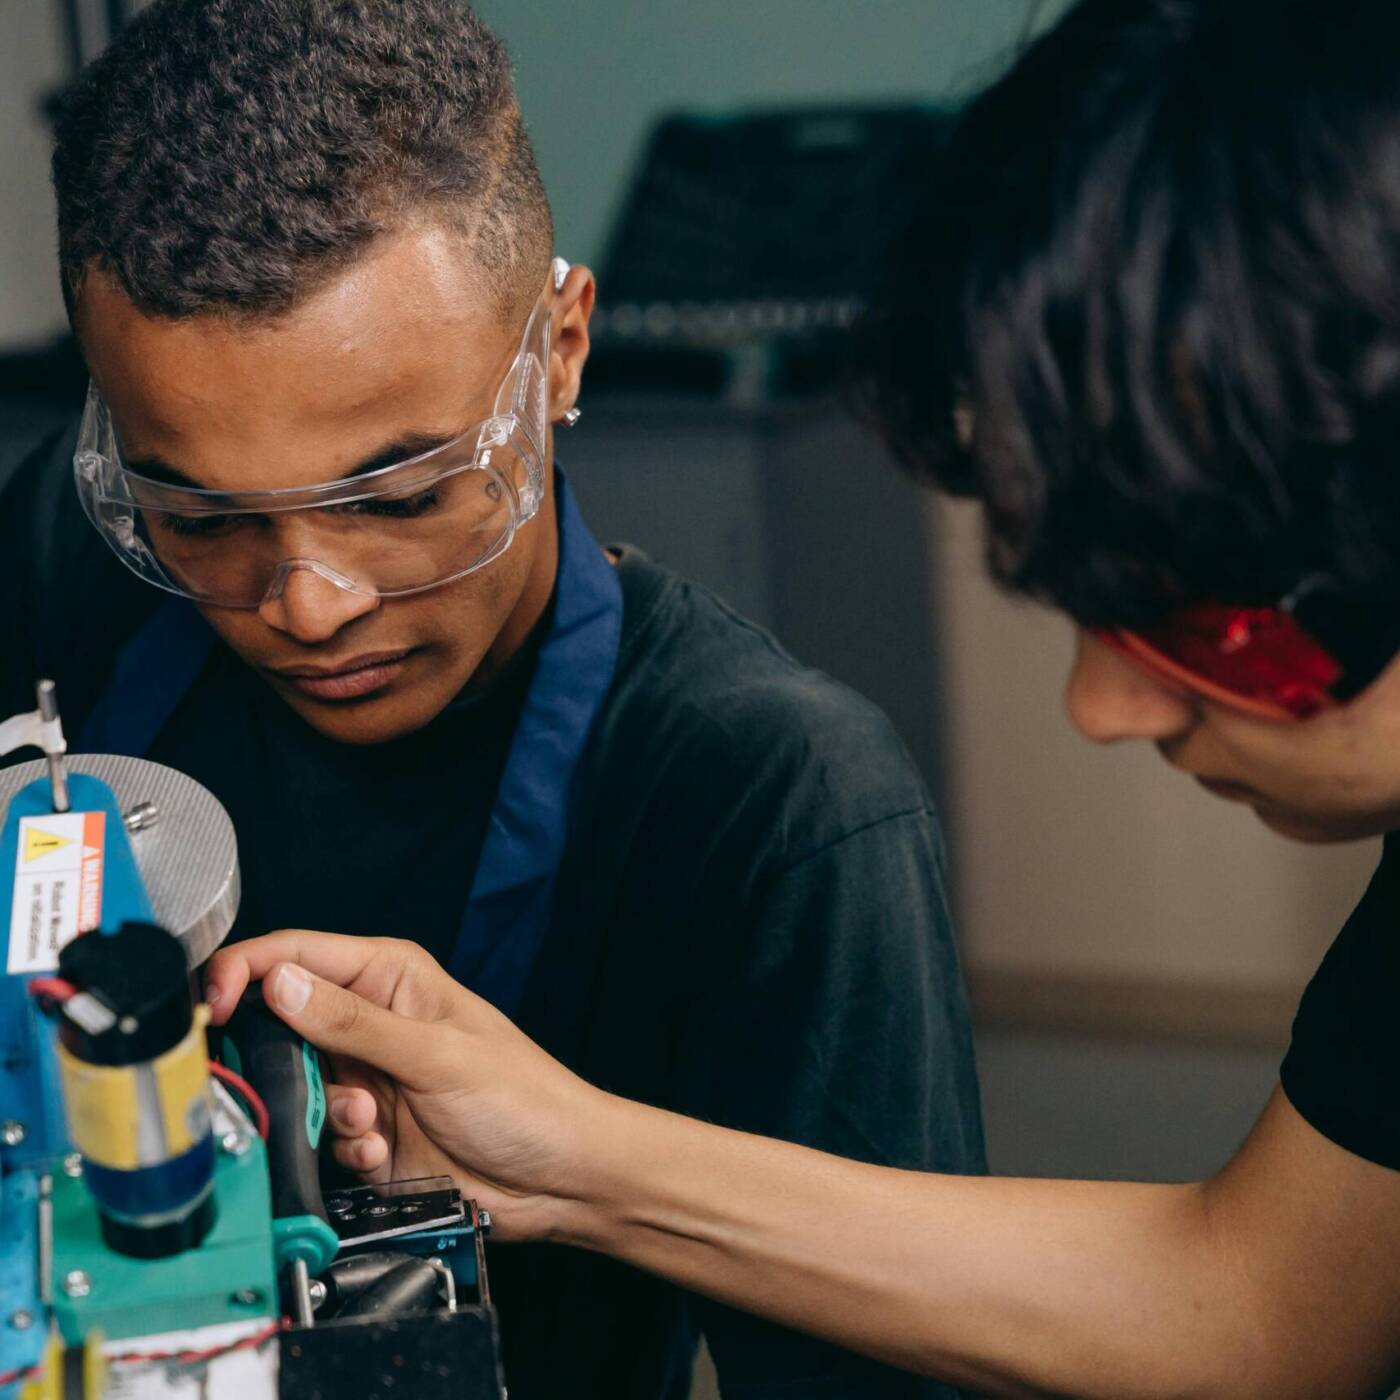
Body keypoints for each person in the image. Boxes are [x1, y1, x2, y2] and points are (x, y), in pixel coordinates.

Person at [209, 0, 1400, 1395]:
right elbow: (1264, 1313)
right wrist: (573, 1153)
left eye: (1208, 622)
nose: (1101, 708)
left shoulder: (780, 778)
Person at [0, 2, 986, 1396]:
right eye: (201, 514)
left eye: (399, 496)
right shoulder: (69, 556)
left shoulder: (780, 804)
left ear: (561, 353)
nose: (307, 601)